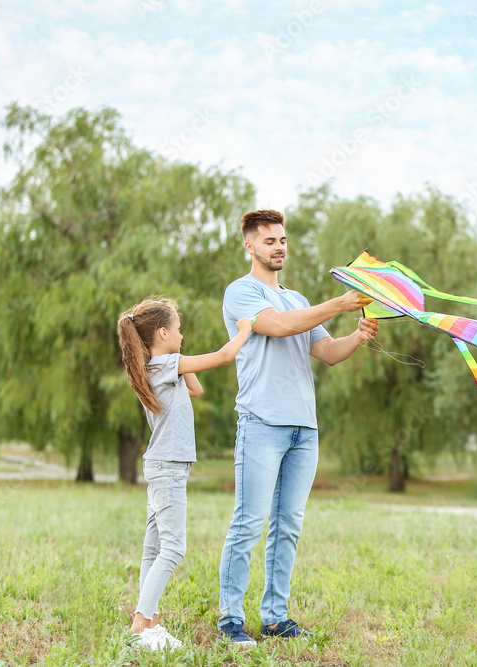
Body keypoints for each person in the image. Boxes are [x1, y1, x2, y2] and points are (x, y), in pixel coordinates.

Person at [217, 209, 378, 642]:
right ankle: (230, 619)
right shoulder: (241, 292)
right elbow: (279, 327)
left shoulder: (301, 299)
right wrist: (341, 303)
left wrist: (357, 336)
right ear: (249, 246)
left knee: (287, 524)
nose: (279, 247)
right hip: (261, 424)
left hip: (303, 430)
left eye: (283, 240)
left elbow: (324, 351)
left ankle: (274, 617)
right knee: (249, 523)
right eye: (269, 241)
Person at [117, 296, 254, 650]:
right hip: (168, 468)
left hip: (162, 466)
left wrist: (178, 353)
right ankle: (140, 627)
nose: (183, 334)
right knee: (174, 547)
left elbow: (196, 388)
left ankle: (150, 623)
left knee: (154, 548)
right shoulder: (164, 365)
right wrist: (245, 329)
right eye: (178, 329)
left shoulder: (161, 365)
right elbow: (225, 356)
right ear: (162, 333)